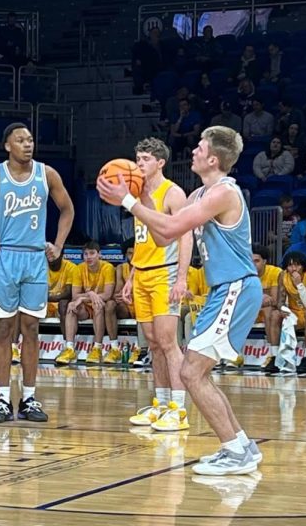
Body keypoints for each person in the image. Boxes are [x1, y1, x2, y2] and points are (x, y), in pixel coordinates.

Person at [98, 125, 262, 477]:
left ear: (213, 158)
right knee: (197, 372)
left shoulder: (222, 193)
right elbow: (161, 235)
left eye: (200, 147)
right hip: (223, 290)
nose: (194, 151)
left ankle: (236, 451)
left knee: (190, 372)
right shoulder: (199, 194)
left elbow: (172, 230)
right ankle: (241, 444)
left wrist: (125, 200)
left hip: (236, 287)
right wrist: (139, 197)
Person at [0, 123, 74, 425]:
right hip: (6, 257)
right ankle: (1, 399)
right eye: (21, 140)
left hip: (36, 257)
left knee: (32, 329)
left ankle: (29, 397)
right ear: (7, 145)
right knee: (5, 329)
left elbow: (67, 209)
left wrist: (59, 244)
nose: (28, 144)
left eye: (31, 139)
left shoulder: (47, 174)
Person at [118, 138, 190, 430]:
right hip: (143, 273)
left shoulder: (172, 193)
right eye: (137, 158)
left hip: (166, 273)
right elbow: (141, 241)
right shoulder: (137, 193)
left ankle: (179, 408)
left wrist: (182, 277)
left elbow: (187, 236)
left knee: (169, 342)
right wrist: (133, 275)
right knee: (154, 344)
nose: (139, 164)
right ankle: (160, 404)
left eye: (145, 159)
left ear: (160, 162)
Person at [56, 240, 117, 365]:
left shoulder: (108, 268)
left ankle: (97, 348)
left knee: (98, 305)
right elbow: (74, 295)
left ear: (99, 254)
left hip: (100, 305)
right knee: (71, 306)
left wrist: (86, 296)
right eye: (85, 254)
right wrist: (88, 295)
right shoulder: (78, 269)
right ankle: (69, 348)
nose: (88, 257)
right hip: (86, 306)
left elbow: (107, 295)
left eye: (92, 253)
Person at [276, 251, 306, 375]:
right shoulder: (282, 276)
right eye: (290, 265)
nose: (293, 269)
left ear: (303, 265)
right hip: (295, 312)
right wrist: (283, 309)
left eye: (297, 265)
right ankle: (275, 356)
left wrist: (299, 285)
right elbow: (279, 302)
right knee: (275, 315)